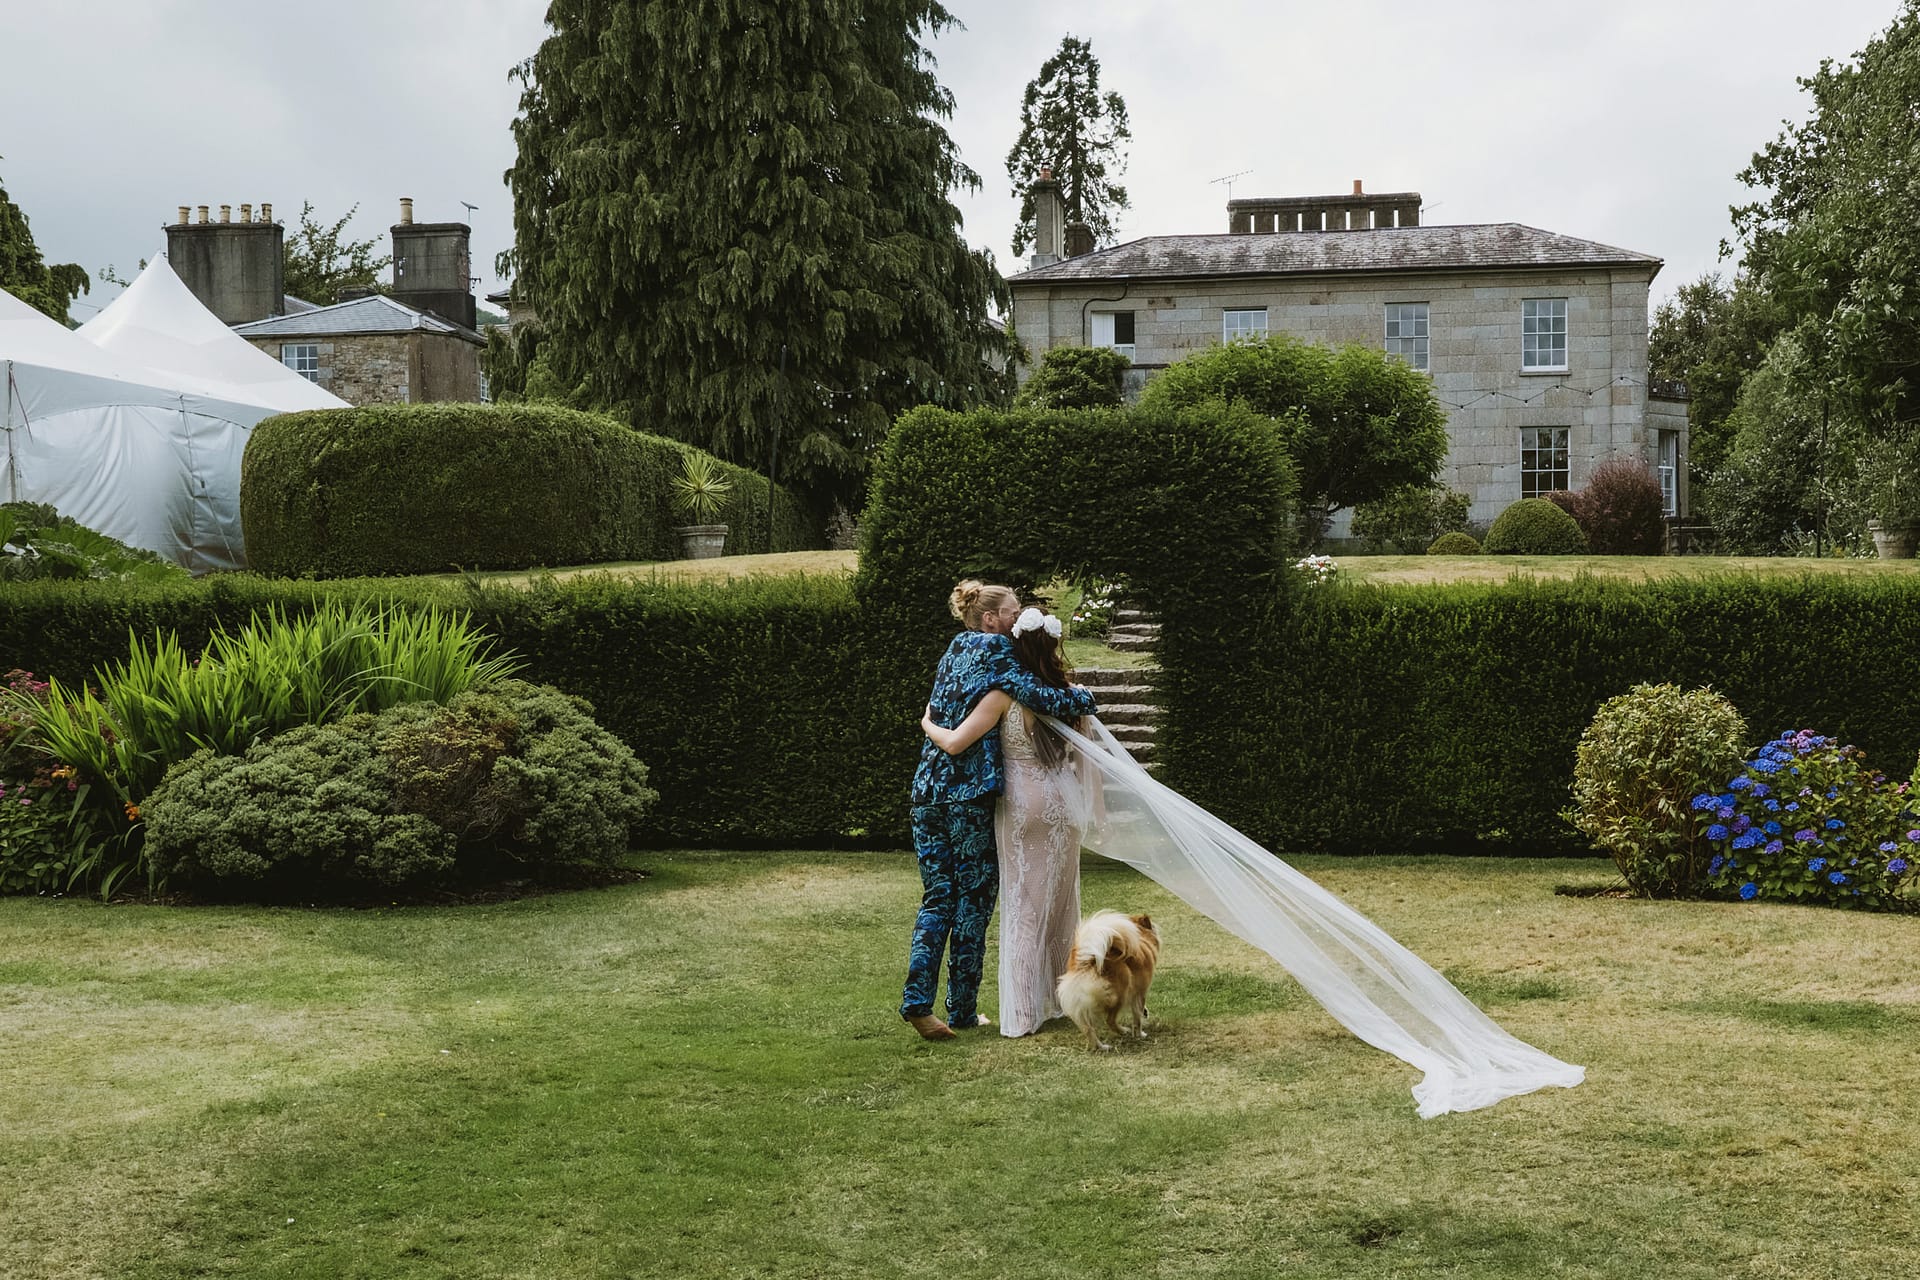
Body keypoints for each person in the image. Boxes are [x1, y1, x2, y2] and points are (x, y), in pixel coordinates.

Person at [900, 582, 1096, 1041]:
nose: (1016, 620)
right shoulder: (998, 651)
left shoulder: (954, 649)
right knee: (972, 900)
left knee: (937, 897)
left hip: (926, 791)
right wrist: (1084, 698)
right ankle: (963, 1010)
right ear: (991, 619)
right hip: (967, 796)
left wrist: (927, 724)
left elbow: (940, 712)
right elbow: (1043, 697)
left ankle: (917, 1000)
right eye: (1011, 612)